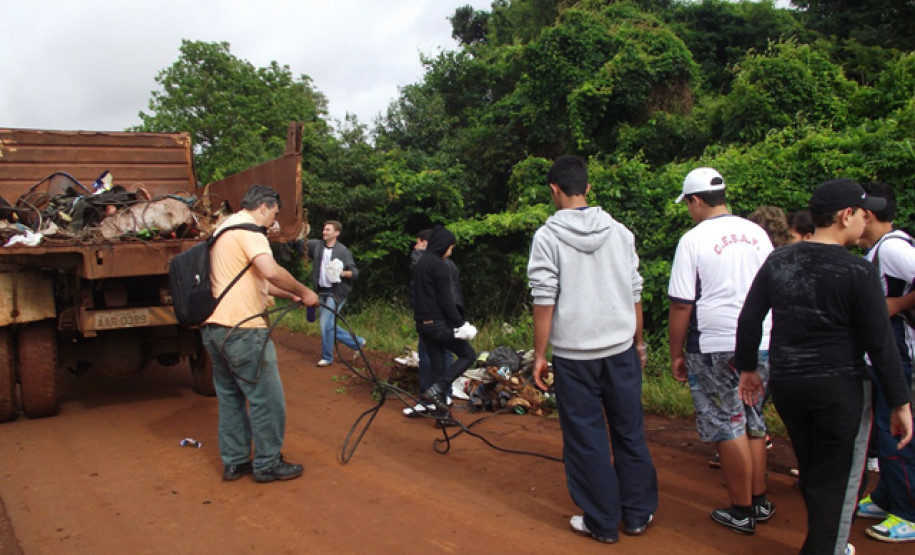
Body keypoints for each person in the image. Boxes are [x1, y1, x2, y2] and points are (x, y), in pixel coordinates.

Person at [734, 178, 913, 555]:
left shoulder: (779, 259)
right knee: (841, 479)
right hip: (840, 390)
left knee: (816, 471)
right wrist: (900, 402)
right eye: (863, 214)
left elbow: (750, 319)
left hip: (789, 386)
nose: (867, 221)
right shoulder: (858, 272)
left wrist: (748, 368)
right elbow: (880, 344)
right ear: (845, 216)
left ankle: (824, 543)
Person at [528, 155, 658, 544]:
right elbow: (635, 290)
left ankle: (601, 523)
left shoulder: (547, 237)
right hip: (620, 350)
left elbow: (544, 298)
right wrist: (638, 342)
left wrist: (539, 355)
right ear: (587, 188)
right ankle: (636, 515)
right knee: (629, 431)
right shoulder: (620, 232)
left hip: (574, 357)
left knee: (586, 438)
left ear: (554, 189)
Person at [667, 167, 774, 534]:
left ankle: (741, 510)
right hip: (762, 341)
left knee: (729, 424)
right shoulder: (757, 233)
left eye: (688, 204)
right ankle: (759, 501)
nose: (688, 211)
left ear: (696, 200)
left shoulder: (693, 239)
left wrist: (676, 353)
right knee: (754, 420)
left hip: (714, 343)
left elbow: (682, 303)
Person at [202, 184, 319, 483]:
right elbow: (270, 270)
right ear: (263, 207)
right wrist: (305, 292)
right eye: (274, 214)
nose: (273, 222)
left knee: (230, 398)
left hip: (215, 330)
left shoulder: (222, 230)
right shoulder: (250, 231)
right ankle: (267, 463)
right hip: (244, 331)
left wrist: (288, 295)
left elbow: (256, 282)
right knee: (266, 399)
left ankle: (235, 461)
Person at [855, 181, 915, 543]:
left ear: (870, 216)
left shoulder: (893, 249)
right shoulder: (882, 249)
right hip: (882, 351)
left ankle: (908, 512)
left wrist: (897, 305)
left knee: (896, 432)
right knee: (882, 427)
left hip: (898, 353)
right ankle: (885, 497)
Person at [412, 225, 476, 428]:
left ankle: (442, 417)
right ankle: (437, 388)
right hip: (439, 325)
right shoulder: (440, 265)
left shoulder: (421, 263)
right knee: (468, 355)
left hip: (423, 324)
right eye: (451, 247)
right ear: (444, 246)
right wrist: (461, 324)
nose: (451, 251)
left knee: (439, 366)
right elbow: (446, 300)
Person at [403, 229, 455, 417]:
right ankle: (443, 396)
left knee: (427, 358)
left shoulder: (426, 262)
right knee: (444, 356)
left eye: (418, 243)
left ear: (425, 243)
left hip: (432, 320)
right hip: (443, 319)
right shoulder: (447, 264)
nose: (415, 247)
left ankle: (428, 400)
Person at [307, 220, 365, 367]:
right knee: (328, 325)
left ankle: (327, 357)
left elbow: (356, 273)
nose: (324, 232)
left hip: (336, 293)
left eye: (328, 230)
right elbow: (302, 242)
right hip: (321, 292)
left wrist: (342, 273)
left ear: (336, 233)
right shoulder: (317, 246)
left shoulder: (343, 251)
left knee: (325, 324)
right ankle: (357, 342)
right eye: (324, 229)